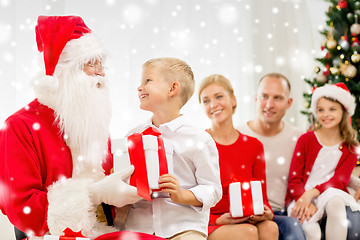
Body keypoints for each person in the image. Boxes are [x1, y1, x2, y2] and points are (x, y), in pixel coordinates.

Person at [0, 15, 162, 240]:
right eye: (91, 63)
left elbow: (111, 199)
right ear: (65, 69)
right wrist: (93, 194)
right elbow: (22, 211)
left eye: (101, 63)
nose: (102, 73)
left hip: (103, 231)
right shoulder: (19, 127)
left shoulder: (92, 122)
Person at [123, 57, 222, 240]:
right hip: (139, 229)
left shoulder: (199, 139)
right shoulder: (133, 136)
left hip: (183, 229)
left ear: (172, 89)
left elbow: (213, 189)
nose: (139, 87)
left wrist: (182, 195)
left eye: (148, 81)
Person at [198, 74, 278, 240]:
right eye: (206, 101)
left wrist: (266, 213)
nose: (213, 104)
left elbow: (261, 196)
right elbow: (190, 200)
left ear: (233, 100)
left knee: (270, 227)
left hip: (246, 217)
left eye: (219, 96)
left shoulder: (254, 146)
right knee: (247, 232)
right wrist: (218, 219)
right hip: (211, 222)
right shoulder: (200, 144)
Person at [286, 82, 360, 240]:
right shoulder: (306, 140)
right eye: (321, 109)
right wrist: (305, 198)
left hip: (330, 192)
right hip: (302, 194)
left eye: (332, 109)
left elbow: (340, 180)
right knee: (312, 232)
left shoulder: (351, 147)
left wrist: (313, 193)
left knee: (336, 202)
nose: (326, 114)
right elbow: (294, 179)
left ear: (344, 111)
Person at [238, 73, 306, 240]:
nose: (269, 104)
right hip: (244, 214)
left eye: (277, 98)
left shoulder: (299, 138)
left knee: (293, 228)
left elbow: (319, 171)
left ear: (289, 103)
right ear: (255, 98)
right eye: (264, 96)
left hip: (280, 213)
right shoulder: (237, 135)